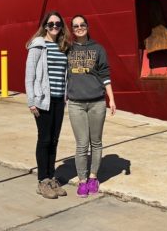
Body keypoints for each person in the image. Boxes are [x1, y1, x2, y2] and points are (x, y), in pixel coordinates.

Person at [66, 14, 116, 197]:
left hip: (97, 102)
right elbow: (61, 72)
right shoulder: (67, 49)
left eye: (82, 24)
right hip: (76, 104)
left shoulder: (98, 49)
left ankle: (93, 177)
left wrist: (111, 98)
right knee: (81, 144)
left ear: (87, 26)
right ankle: (82, 180)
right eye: (76, 25)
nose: (79, 27)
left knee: (96, 142)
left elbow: (105, 74)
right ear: (72, 30)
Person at [25, 11, 69, 199]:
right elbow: (30, 76)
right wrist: (31, 101)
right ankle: (42, 181)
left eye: (57, 24)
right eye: (50, 24)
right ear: (45, 26)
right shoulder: (38, 46)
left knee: (54, 139)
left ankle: (51, 177)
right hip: (43, 101)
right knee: (44, 139)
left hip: (59, 99)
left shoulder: (62, 47)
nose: (54, 27)